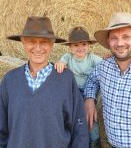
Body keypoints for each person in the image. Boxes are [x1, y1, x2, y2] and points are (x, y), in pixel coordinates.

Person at [0, 16, 89, 148]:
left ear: (52, 44)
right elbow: (1, 127)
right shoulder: (10, 80)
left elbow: (78, 127)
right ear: (23, 43)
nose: (38, 48)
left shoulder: (66, 79)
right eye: (31, 41)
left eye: (44, 42)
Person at [84, 12, 131, 148]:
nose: (119, 43)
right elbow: (91, 80)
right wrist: (89, 100)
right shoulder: (103, 67)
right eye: (114, 38)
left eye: (126, 37)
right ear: (108, 42)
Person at [55, 26, 102, 148]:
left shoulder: (92, 58)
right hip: (74, 93)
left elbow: (105, 65)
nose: (80, 48)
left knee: (91, 118)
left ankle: (94, 142)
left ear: (89, 46)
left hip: (89, 93)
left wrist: (108, 58)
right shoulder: (68, 57)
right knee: (76, 118)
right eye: (76, 45)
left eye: (84, 44)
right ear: (70, 47)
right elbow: (62, 62)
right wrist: (60, 64)